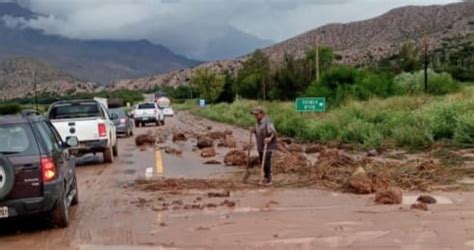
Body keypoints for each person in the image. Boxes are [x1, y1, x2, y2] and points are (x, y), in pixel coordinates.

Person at [250, 106, 277, 185]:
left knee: (267, 162)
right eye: (255, 114)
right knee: (262, 161)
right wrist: (253, 130)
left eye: (257, 114)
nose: (255, 116)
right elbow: (258, 132)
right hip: (260, 145)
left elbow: (274, 133)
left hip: (268, 145)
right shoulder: (257, 122)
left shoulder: (268, 121)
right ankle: (265, 176)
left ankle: (269, 179)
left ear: (262, 114)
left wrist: (269, 138)